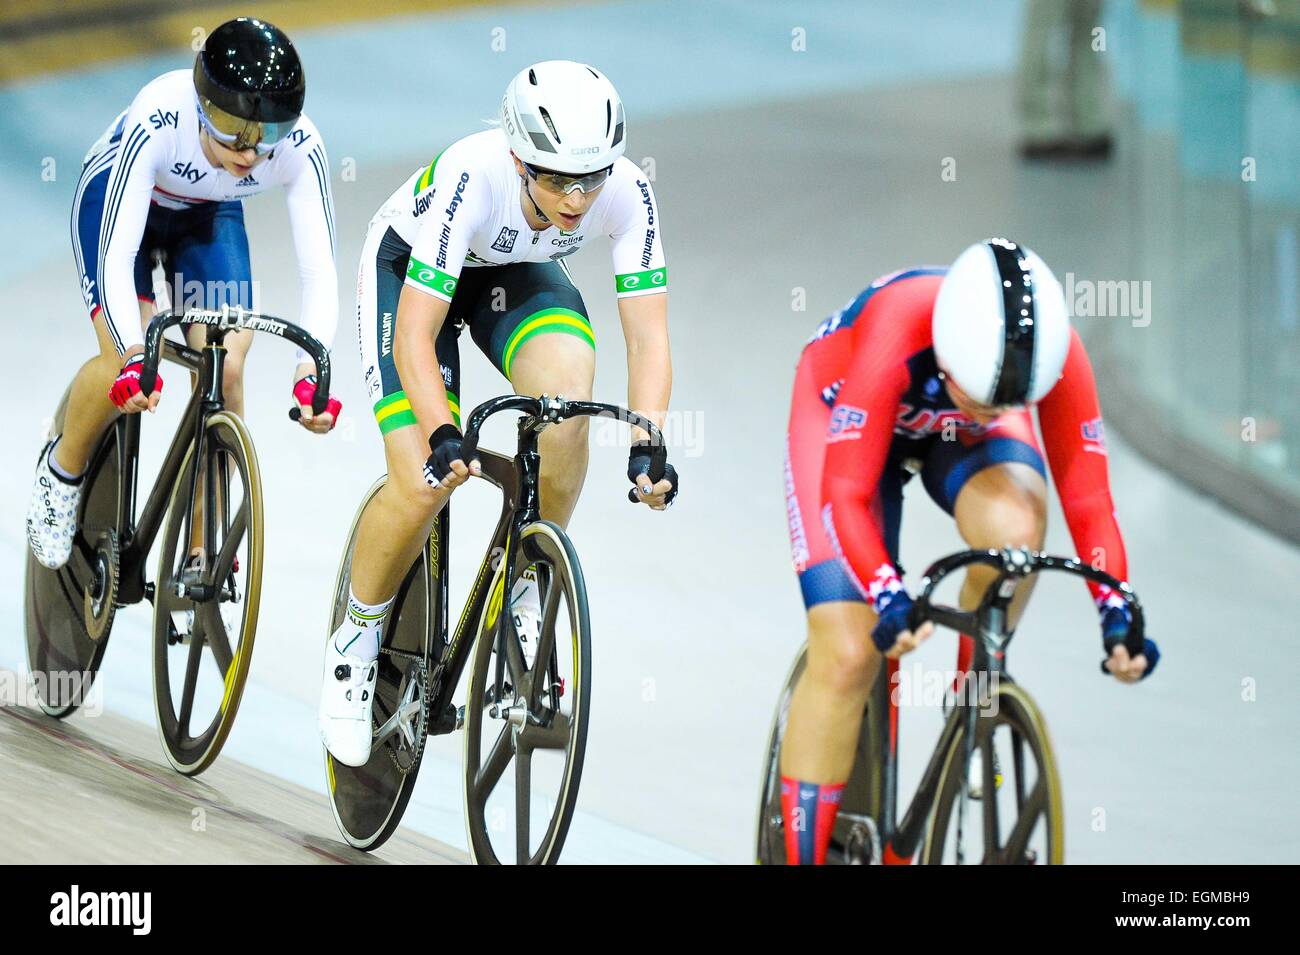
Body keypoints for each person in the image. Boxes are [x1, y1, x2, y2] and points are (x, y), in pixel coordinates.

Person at [320, 60, 678, 766]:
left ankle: (525, 576)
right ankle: (355, 642)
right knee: (422, 478)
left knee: (568, 399)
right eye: (553, 179)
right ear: (518, 158)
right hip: (410, 273)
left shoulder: (628, 190)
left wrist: (650, 439)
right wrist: (444, 434)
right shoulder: (472, 175)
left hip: (510, 277)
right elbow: (413, 337)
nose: (576, 200)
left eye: (591, 179)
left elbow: (649, 334)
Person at [780, 238, 1160, 864]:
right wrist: (885, 591)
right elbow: (843, 495)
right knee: (848, 651)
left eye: (1005, 400)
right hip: (841, 415)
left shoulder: (1055, 356)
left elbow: (1089, 503)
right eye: (978, 390)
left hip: (956, 435)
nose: (989, 405)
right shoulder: (899, 324)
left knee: (1016, 535)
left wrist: (1116, 611)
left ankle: (974, 699)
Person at [26, 17, 342, 570]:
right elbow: (118, 255)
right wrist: (129, 356)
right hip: (124, 203)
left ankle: (201, 548)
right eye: (230, 127)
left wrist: (308, 370)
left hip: (206, 214)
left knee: (228, 366)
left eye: (266, 133)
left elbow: (319, 272)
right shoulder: (159, 115)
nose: (248, 150)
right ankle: (62, 470)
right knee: (122, 359)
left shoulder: (300, 144)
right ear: (201, 106)